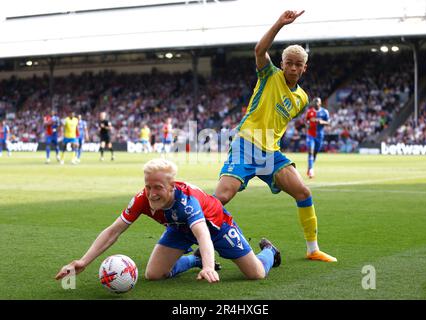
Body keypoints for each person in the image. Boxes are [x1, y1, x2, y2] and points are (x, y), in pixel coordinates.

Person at [214, 10, 336, 262]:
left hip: (270, 153)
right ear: (282, 64)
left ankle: (313, 249)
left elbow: (278, 122)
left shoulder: (302, 99)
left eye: (297, 64)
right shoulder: (269, 75)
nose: (292, 67)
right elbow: (259, 50)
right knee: (222, 196)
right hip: (246, 144)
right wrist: (280, 24)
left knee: (303, 192)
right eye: (288, 62)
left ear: (304, 68)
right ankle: (187, 236)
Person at [55, 159, 281, 284]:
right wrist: (83, 261)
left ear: (172, 187)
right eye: (148, 186)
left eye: (158, 188)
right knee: (153, 274)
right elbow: (114, 231)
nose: (152, 193)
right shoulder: (142, 199)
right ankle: (195, 260)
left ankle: (270, 251)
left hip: (217, 227)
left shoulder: (187, 201)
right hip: (180, 229)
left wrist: (210, 268)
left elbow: (203, 234)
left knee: (256, 274)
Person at [305, 97, 330, 178]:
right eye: (314, 101)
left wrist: (321, 122)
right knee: (310, 152)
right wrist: (307, 125)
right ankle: (311, 170)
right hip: (310, 134)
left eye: (317, 102)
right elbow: (306, 121)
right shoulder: (309, 112)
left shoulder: (324, 112)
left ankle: (310, 167)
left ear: (320, 103)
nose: (315, 103)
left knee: (315, 153)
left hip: (319, 135)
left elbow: (328, 122)